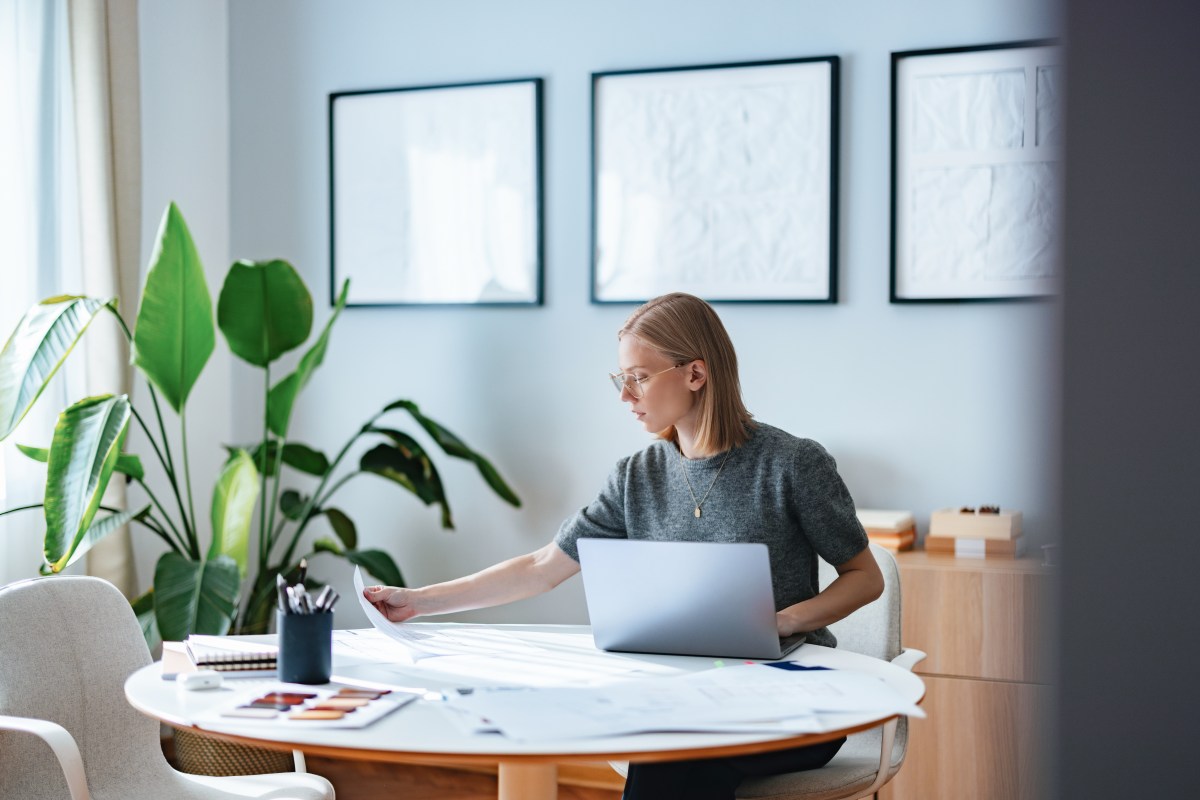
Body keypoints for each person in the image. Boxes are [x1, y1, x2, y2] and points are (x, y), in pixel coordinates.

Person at [364, 292, 884, 800]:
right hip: (681, 697)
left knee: (676, 752)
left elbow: (865, 577)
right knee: (670, 745)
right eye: (621, 379)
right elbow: (542, 567)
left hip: (791, 699)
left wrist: (784, 621)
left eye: (637, 378)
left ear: (695, 374)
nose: (624, 396)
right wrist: (419, 602)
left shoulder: (792, 464)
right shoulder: (636, 477)